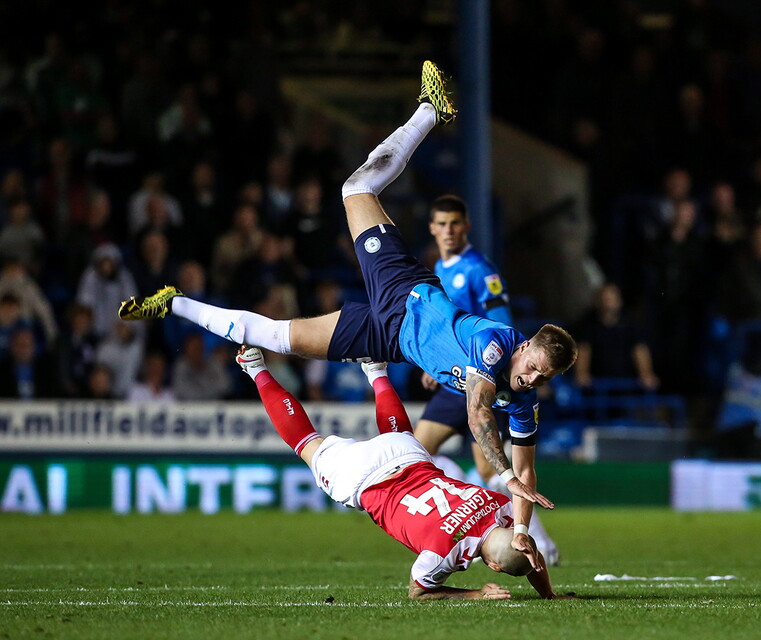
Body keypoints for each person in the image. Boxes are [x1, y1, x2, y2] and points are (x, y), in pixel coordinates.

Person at [118, 62, 578, 524]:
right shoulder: (495, 344)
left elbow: (527, 469)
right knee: (356, 188)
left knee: (274, 338)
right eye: (534, 367)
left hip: (389, 338)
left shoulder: (524, 400)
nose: (533, 379)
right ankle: (429, 111)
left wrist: (522, 528)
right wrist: (505, 474)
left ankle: (172, 301)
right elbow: (478, 413)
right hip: (406, 295)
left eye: (543, 378)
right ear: (524, 347)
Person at [235, 345, 571, 601]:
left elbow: (529, 553)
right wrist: (474, 593)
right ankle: (255, 367)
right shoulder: (442, 554)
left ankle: (376, 371)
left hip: (406, 456)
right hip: (364, 479)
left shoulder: (498, 503)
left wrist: (548, 591)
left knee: (400, 435)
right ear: (494, 567)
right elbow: (418, 591)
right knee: (306, 442)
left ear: (512, 530)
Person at [414, 194, 560, 565]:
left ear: (466, 226)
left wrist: (487, 370)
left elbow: (502, 325)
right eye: (441, 224)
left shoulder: (479, 270)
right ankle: (504, 530)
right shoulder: (442, 267)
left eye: (454, 223)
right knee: (431, 455)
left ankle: (535, 541)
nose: (448, 231)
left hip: (486, 378)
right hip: (457, 378)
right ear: (432, 228)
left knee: (463, 461)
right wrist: (439, 363)